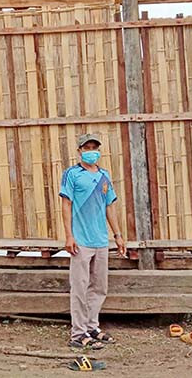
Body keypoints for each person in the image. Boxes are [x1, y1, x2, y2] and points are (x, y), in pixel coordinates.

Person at [60, 134, 127, 350]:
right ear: (79, 151)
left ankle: (92, 326)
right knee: (79, 286)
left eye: (94, 147)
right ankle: (78, 333)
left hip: (101, 240)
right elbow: (66, 204)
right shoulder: (72, 174)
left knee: (99, 287)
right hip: (80, 241)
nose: (91, 151)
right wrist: (69, 235)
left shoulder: (104, 176)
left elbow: (109, 207)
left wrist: (117, 235)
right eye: (87, 147)